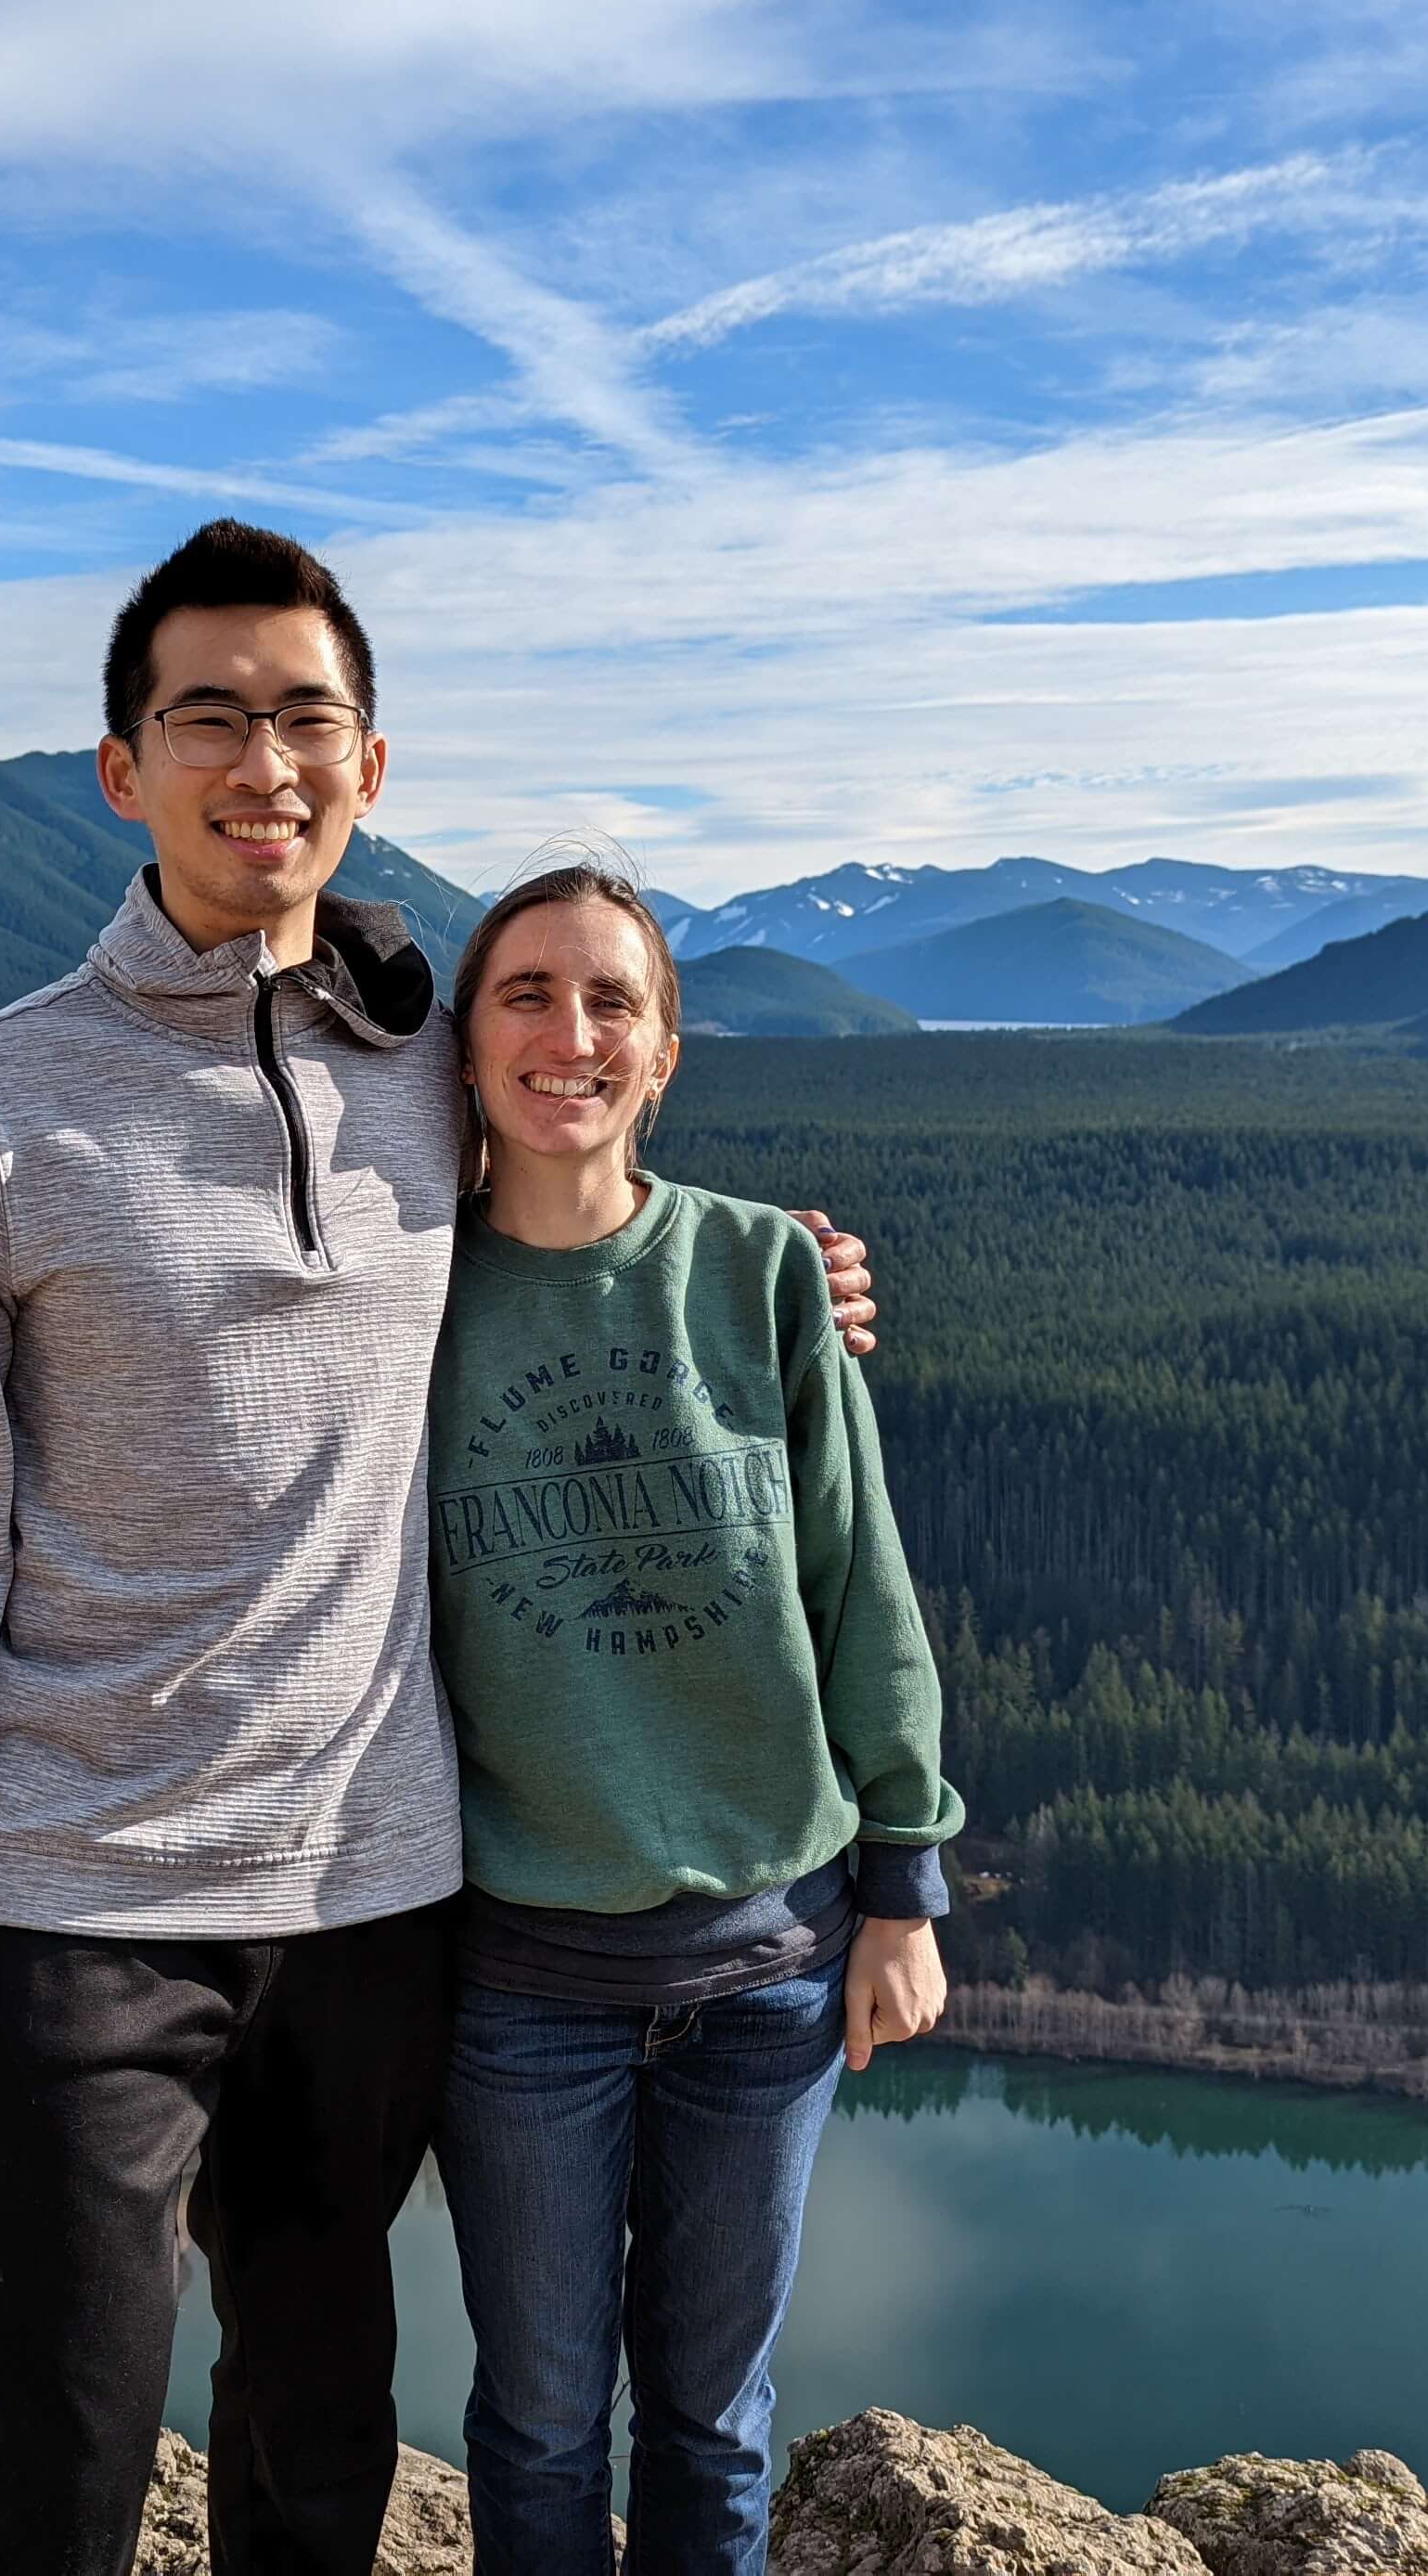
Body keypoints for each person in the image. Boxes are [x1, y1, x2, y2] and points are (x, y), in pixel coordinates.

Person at [0, 520, 876, 2576]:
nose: (263, 758)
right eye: (207, 714)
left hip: (379, 1899)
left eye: (306, 714)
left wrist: (786, 1285)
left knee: (322, 2446)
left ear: (370, 767)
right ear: (122, 768)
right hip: (74, 1901)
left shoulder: (418, 1057)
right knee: (54, 2466)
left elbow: (597, 1171)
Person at [425, 860, 959, 2576]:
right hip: (519, 1982)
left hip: (768, 1966)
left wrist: (904, 1877)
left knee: (715, 2422)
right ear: (465, 1041)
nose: (566, 1034)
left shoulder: (758, 1273)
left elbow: (854, 1577)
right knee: (537, 2419)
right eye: (525, 994)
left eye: (610, 1004)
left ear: (663, 1055)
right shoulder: (401, 1298)